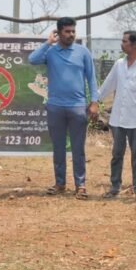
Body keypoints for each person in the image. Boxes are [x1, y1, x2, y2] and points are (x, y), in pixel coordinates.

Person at [29, 17, 100, 199]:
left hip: (77, 107)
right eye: (67, 31)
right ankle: (60, 183)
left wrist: (94, 102)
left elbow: (91, 78)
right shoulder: (51, 52)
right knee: (58, 148)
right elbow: (32, 59)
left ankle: (81, 185)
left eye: (73, 31)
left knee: (78, 149)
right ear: (59, 32)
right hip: (55, 107)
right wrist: (47, 43)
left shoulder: (83, 52)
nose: (71, 35)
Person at [99, 31, 136, 200]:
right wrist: (94, 101)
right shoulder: (119, 64)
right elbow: (107, 86)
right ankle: (115, 187)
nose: (121, 45)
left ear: (134, 44)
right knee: (117, 155)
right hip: (118, 119)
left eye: (124, 42)